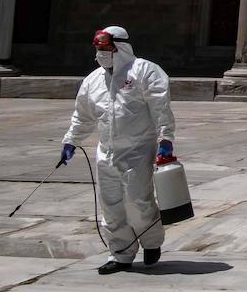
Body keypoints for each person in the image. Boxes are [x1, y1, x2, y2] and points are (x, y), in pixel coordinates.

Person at [60, 25, 176, 274]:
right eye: (99, 49)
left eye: (106, 48)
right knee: (111, 205)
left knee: (137, 201)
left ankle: (151, 241)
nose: (102, 53)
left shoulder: (144, 70)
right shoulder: (93, 80)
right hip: (106, 151)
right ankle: (121, 254)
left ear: (120, 47)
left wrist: (165, 137)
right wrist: (71, 141)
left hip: (138, 149)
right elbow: (83, 115)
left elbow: (160, 106)